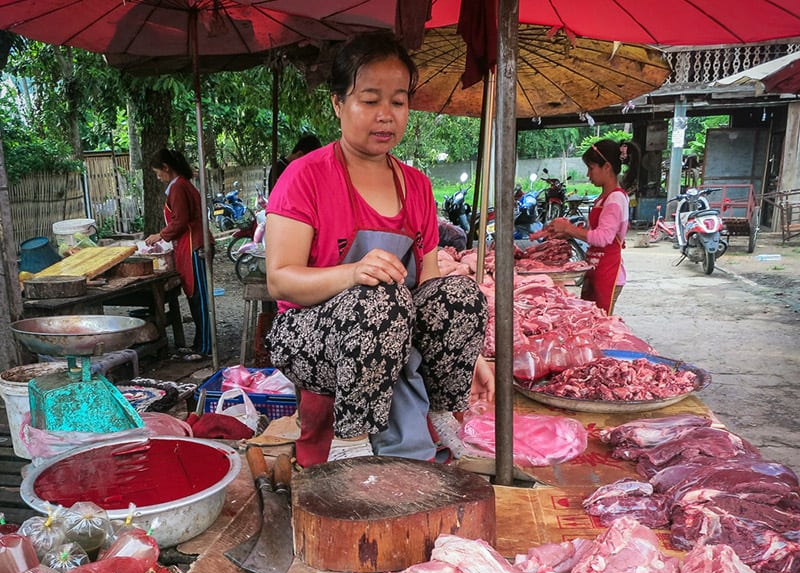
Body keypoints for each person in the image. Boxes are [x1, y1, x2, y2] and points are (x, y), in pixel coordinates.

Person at [265, 31, 494, 463]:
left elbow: (431, 288)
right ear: (338, 103)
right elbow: (280, 281)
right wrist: (352, 274)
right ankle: (351, 441)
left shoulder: (417, 185)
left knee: (460, 296)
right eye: (370, 100)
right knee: (379, 298)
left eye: (398, 101)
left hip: (392, 331)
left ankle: (441, 415)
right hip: (310, 335)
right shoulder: (305, 176)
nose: (386, 115)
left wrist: (467, 353)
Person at [545, 138, 641, 315]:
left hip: (608, 274)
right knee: (589, 321)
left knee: (599, 325)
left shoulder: (615, 199)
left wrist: (568, 228)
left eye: (591, 168)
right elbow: (593, 233)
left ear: (606, 167)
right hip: (596, 270)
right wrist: (568, 234)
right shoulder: (603, 198)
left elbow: (603, 238)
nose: (588, 175)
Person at [145, 148, 211, 360]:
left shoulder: (179, 187)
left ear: (166, 167)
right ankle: (200, 344)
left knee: (198, 297)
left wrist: (160, 235)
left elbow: (180, 221)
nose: (158, 177)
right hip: (188, 245)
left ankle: (205, 347)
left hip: (193, 245)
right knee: (194, 296)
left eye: (158, 173)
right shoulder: (180, 185)